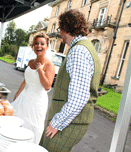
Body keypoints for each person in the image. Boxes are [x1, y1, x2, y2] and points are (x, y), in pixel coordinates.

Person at [39, 9, 101, 152]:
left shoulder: (79, 50)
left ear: (65, 28)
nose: (60, 33)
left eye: (60, 28)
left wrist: (56, 123)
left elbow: (79, 98)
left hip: (68, 122)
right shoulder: (84, 47)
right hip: (70, 120)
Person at [11, 32, 55, 144]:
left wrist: (40, 70)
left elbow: (47, 86)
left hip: (36, 102)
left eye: (42, 43)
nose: (38, 46)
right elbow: (26, 79)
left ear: (47, 47)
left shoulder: (49, 65)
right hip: (24, 98)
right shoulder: (31, 62)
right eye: (36, 43)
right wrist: (18, 93)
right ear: (33, 46)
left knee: (31, 128)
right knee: (17, 125)